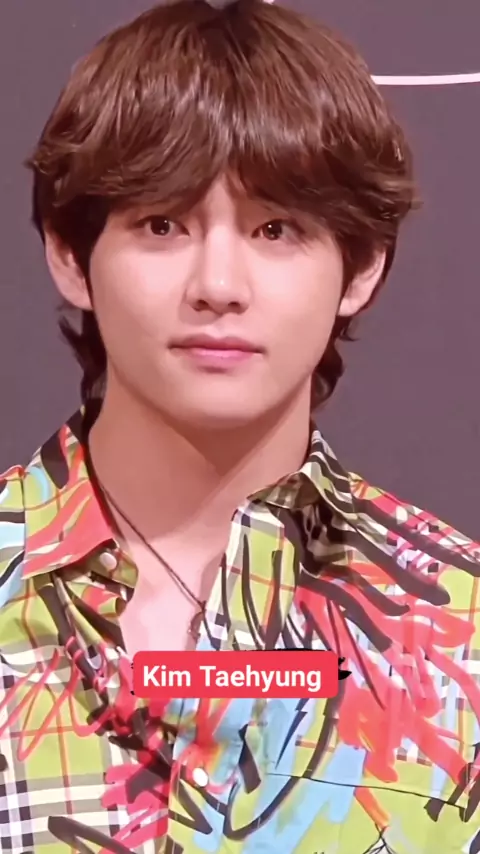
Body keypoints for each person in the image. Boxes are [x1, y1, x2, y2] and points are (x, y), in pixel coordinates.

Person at [1, 0, 479, 851]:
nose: (218, 284)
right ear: (70, 257)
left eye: (275, 229)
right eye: (162, 224)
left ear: (361, 269)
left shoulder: (463, 632)